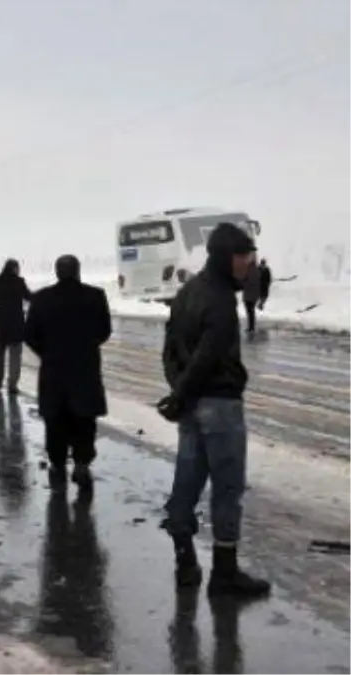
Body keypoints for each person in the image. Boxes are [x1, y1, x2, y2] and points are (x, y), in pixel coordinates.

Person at [157, 223, 271, 598]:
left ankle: (184, 560)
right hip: (219, 404)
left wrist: (179, 393)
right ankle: (224, 572)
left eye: (250, 256)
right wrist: (186, 391)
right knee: (227, 488)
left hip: (192, 405)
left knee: (186, 483)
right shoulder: (220, 298)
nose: (248, 263)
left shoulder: (188, 292)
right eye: (242, 256)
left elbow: (170, 350)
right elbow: (208, 355)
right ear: (225, 257)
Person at [24, 255, 112, 490]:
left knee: (55, 419)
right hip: (85, 369)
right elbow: (105, 330)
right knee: (85, 420)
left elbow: (30, 334)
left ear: (57, 272)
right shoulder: (95, 296)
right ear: (78, 271)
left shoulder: (42, 299)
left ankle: (58, 463)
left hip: (54, 369)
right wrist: (87, 347)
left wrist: (47, 352)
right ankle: (82, 463)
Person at [0, 258, 33, 395]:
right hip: (16, 324)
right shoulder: (19, 282)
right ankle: (12, 384)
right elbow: (29, 297)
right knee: (15, 357)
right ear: (14, 268)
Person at [241, 260, 261, 334]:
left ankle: (250, 327)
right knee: (252, 311)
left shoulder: (247, 271)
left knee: (249, 311)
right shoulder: (257, 272)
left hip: (248, 295)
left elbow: (242, 282)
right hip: (254, 295)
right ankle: (252, 327)